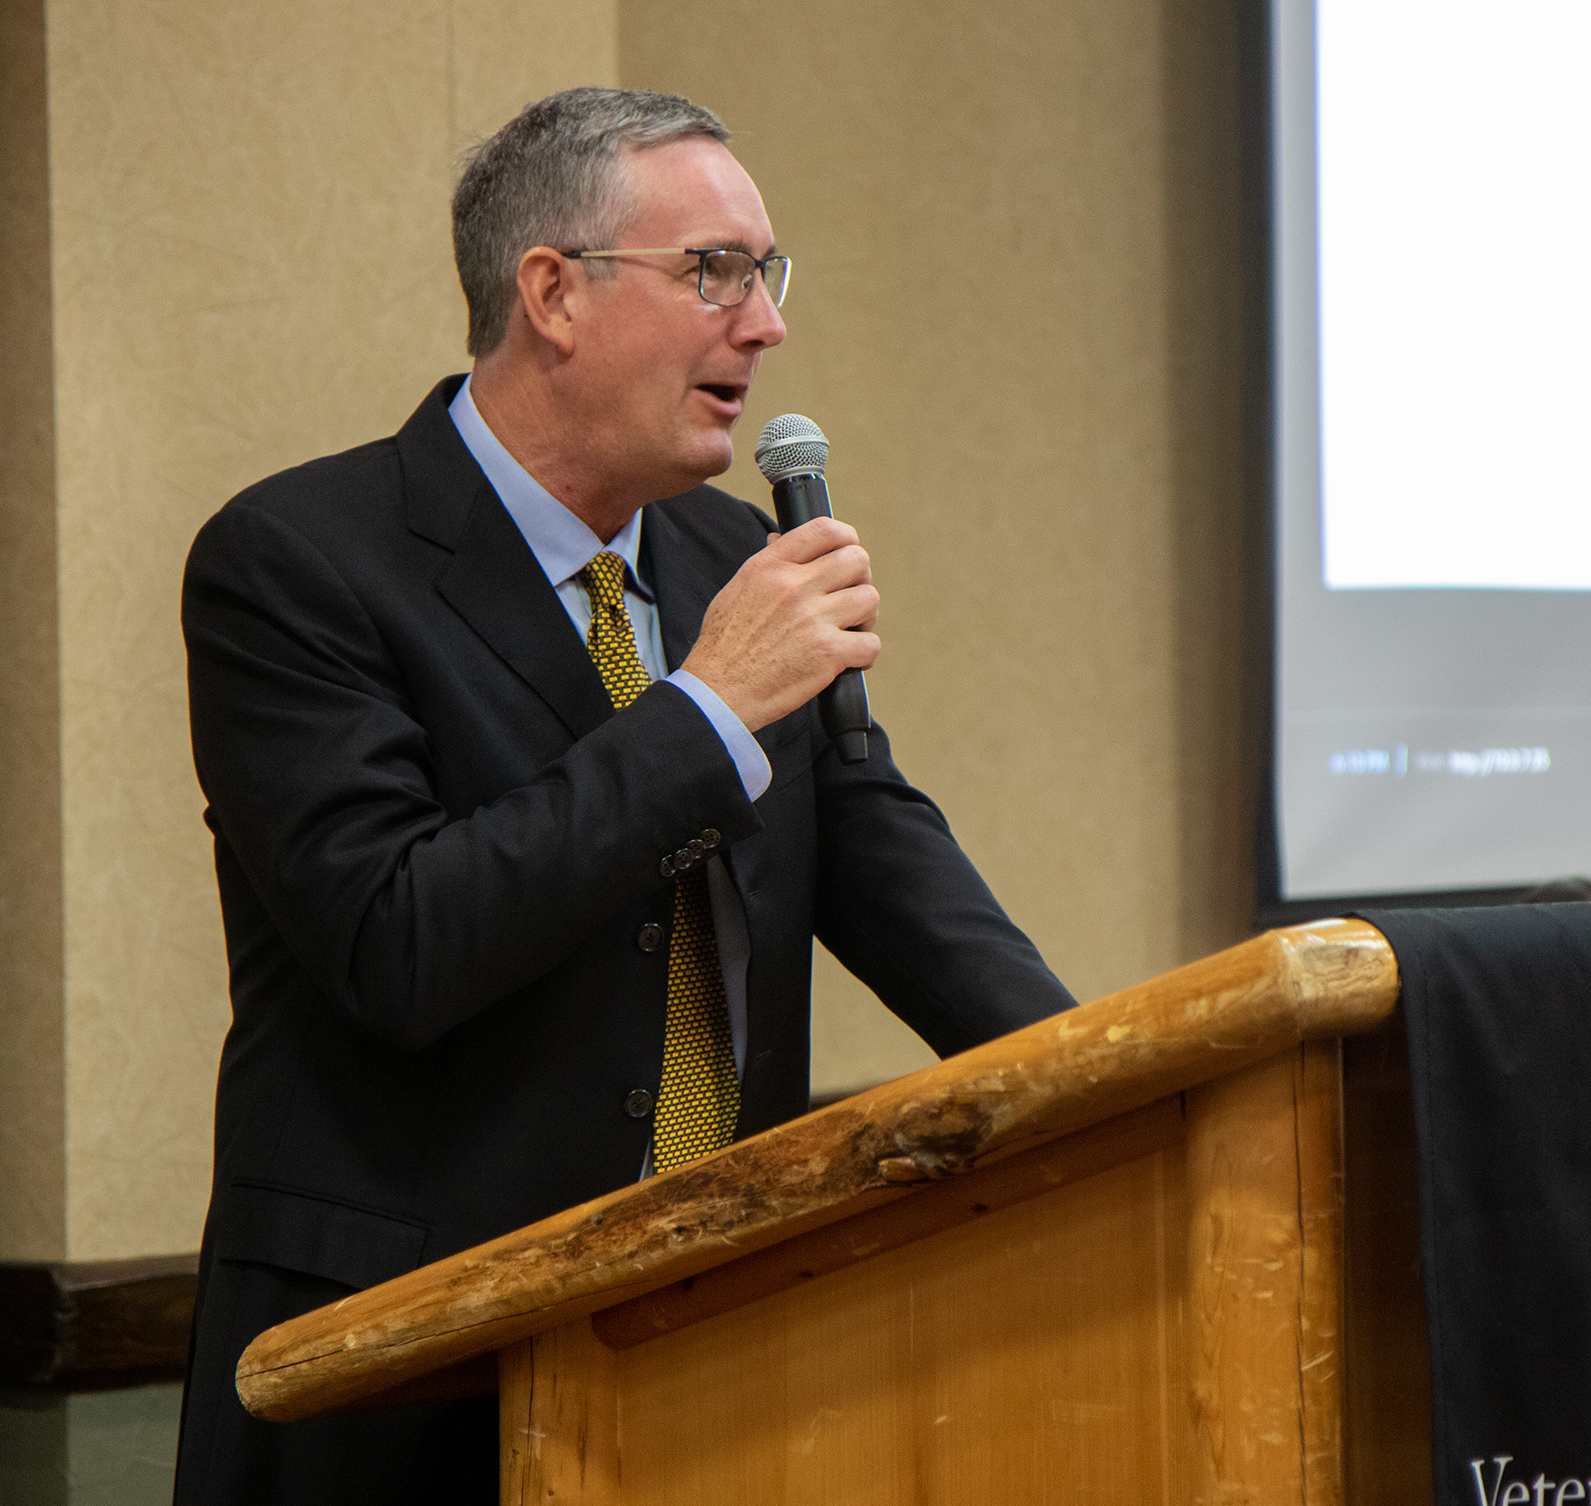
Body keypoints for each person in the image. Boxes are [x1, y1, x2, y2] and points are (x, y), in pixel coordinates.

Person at [172, 87, 1074, 1504]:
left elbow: (884, 859)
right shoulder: (298, 563)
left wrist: (1105, 1081)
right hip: (401, 1384)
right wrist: (707, 707)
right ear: (554, 294)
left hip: (716, 1350)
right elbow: (399, 940)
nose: (765, 325)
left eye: (766, 275)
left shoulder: (728, 557)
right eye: (715, 271)